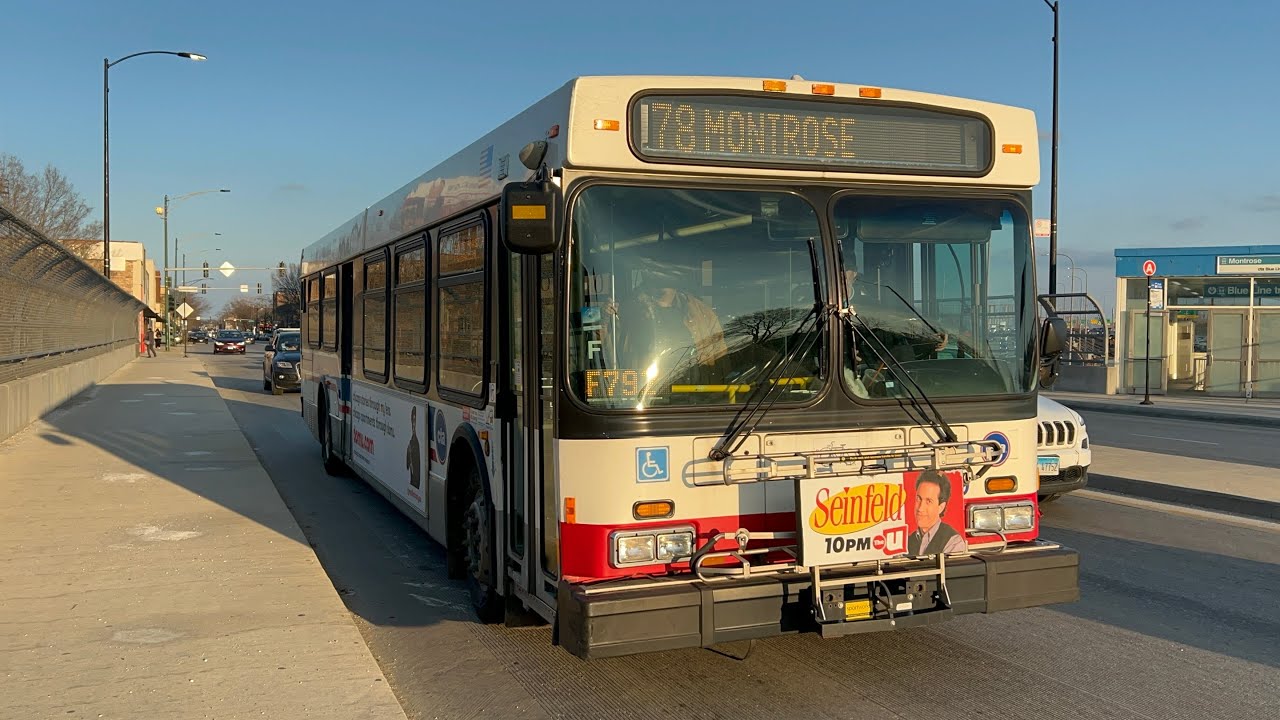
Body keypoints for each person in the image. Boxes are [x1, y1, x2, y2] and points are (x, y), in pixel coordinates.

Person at [907, 469, 967, 556]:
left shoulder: (952, 541)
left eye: (928, 501)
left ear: (941, 507)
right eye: (918, 499)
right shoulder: (906, 541)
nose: (920, 508)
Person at [406, 406, 422, 490]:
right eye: (412, 420)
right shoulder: (411, 441)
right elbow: (407, 466)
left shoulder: (417, 442)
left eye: (415, 420)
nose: (413, 423)